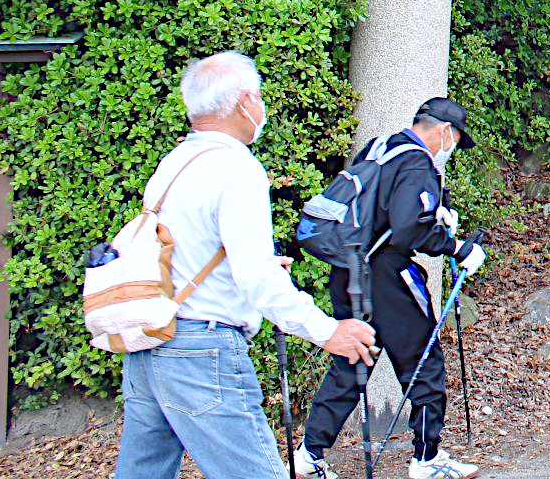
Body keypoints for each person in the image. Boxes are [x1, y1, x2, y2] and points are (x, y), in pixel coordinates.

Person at [115, 51, 377, 479]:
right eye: (257, 97)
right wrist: (329, 330)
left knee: (142, 472)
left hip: (150, 346)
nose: (261, 107)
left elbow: (182, 252)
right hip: (202, 349)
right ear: (243, 103)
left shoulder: (173, 163)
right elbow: (256, 278)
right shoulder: (237, 168)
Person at [297, 97, 488, 479]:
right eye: (454, 140)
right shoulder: (417, 161)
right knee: (424, 361)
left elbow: (385, 209)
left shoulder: (381, 146)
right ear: (443, 131)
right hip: (388, 276)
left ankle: (308, 454)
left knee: (353, 358)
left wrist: (440, 210)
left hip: (349, 270)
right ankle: (427, 458)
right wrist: (457, 247)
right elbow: (408, 228)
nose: (452, 149)